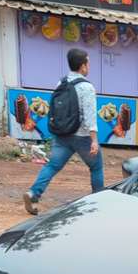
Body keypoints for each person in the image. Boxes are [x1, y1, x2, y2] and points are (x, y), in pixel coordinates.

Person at [24, 48, 103, 215]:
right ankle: (99, 202)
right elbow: (90, 116)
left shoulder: (61, 83)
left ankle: (33, 193)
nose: (89, 66)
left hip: (62, 134)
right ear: (83, 66)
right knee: (96, 167)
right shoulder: (87, 87)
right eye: (88, 63)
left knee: (52, 165)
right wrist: (94, 140)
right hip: (82, 137)